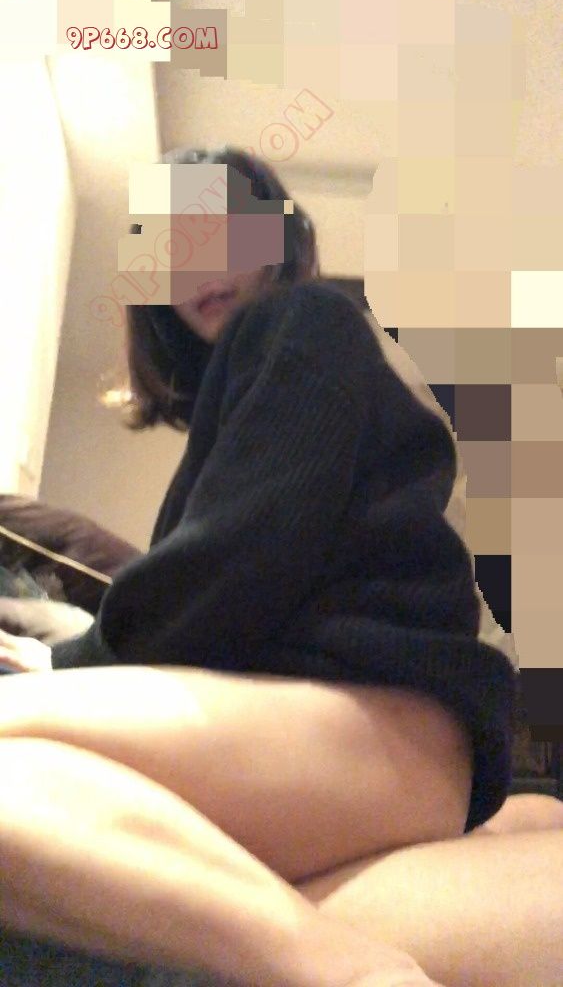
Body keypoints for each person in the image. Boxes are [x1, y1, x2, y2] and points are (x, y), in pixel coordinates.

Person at [0, 149, 561, 986]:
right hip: (371, 746)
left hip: (367, 729)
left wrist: (66, 662)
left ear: (277, 235)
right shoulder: (261, 368)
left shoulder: (303, 321)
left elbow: (232, 562)